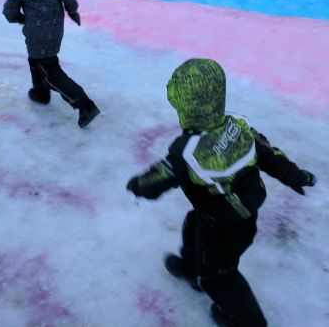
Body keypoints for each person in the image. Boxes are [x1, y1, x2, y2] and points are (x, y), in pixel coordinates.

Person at [126, 59, 316, 327]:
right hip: (225, 211)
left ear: (185, 103)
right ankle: (193, 270)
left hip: (228, 224)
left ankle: (249, 321)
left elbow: (162, 176)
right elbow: (269, 154)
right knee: (193, 224)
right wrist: (295, 175)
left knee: (219, 275)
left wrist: (139, 185)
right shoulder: (238, 126)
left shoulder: (186, 152)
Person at [2, 0, 99, 128]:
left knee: (51, 73)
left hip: (36, 35)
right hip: (55, 32)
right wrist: (68, 11)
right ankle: (40, 93)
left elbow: (9, 12)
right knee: (36, 62)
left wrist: (23, 19)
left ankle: (85, 106)